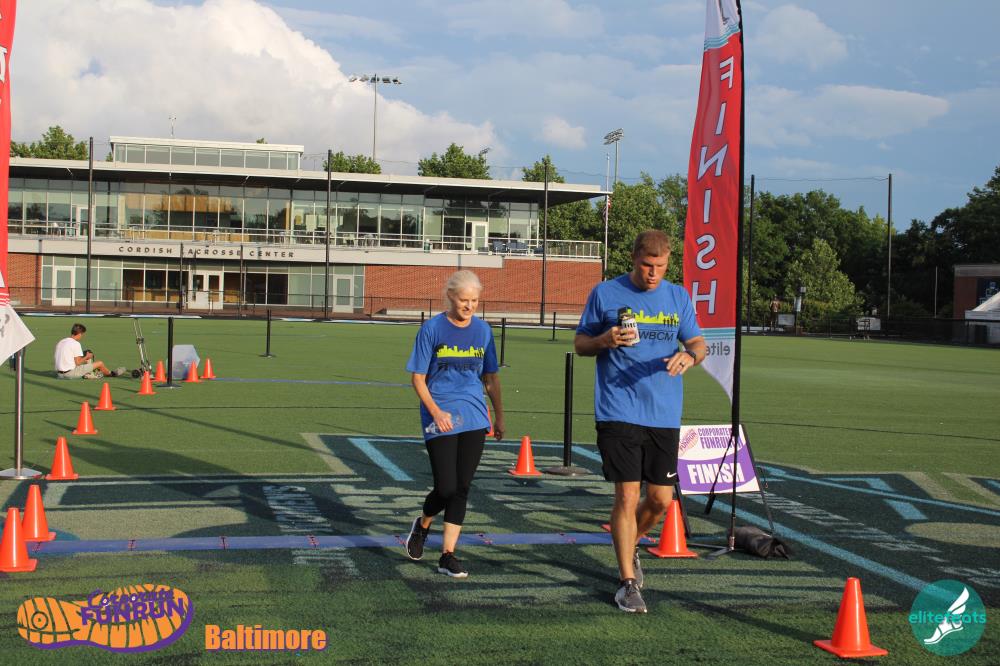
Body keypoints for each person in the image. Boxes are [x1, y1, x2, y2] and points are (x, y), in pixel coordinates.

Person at [575, 230, 706, 613]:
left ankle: (629, 544)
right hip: (618, 409)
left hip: (664, 412)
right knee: (626, 495)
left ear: (668, 263)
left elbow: (698, 343)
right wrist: (604, 340)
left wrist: (690, 357)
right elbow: (580, 344)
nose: (653, 273)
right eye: (647, 265)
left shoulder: (677, 296)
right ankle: (626, 583)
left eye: (660, 266)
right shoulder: (605, 293)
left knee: (662, 500)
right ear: (633, 258)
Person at [404, 270, 505, 578]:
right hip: (440, 416)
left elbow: (490, 377)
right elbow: (418, 378)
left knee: (462, 486)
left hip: (475, 415)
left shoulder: (483, 331)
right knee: (446, 487)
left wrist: (499, 415)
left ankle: (447, 555)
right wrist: (435, 412)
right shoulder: (432, 329)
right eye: (464, 300)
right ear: (450, 296)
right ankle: (423, 524)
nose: (469, 306)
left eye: (474, 300)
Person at [53, 323, 117, 379]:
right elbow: (78, 363)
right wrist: (87, 356)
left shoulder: (62, 341)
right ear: (80, 334)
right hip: (69, 374)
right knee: (100, 363)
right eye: (82, 334)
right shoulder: (76, 343)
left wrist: (84, 357)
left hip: (59, 374)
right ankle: (111, 374)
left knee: (85, 355)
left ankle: (89, 373)